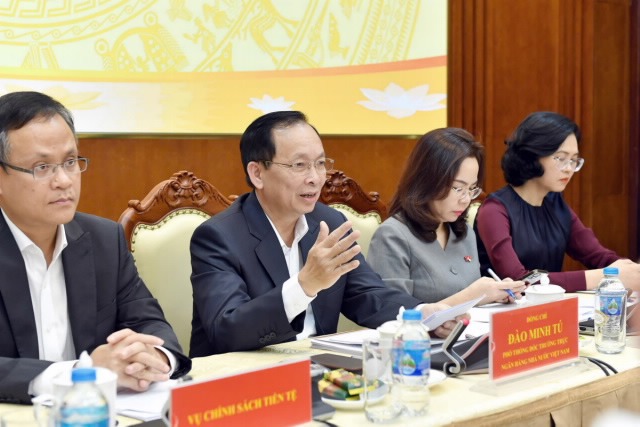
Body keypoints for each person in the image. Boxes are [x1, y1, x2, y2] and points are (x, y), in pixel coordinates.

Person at [189, 111, 463, 356]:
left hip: (319, 372)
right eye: (299, 165)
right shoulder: (218, 237)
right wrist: (305, 285)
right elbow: (226, 330)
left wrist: (419, 315)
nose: (316, 177)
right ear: (257, 173)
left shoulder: (328, 222)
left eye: (320, 164)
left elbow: (367, 294)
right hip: (242, 385)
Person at [0, 91, 191, 404]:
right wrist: (82, 372)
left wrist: (151, 355)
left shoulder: (104, 239)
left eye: (71, 161)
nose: (63, 180)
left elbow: (150, 323)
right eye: (42, 167)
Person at [475, 111, 640, 292]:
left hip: (550, 311)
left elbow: (598, 256)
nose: (569, 169)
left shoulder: (556, 204)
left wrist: (629, 270)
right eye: (561, 159)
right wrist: (602, 277)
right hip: (499, 314)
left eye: (574, 160)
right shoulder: (494, 210)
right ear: (532, 155)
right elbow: (518, 280)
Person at [367, 128, 525, 306]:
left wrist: (494, 295)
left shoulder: (463, 232)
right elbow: (393, 314)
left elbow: (469, 303)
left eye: (472, 189)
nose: (466, 200)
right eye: (458, 188)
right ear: (427, 180)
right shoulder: (392, 235)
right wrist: (473, 296)